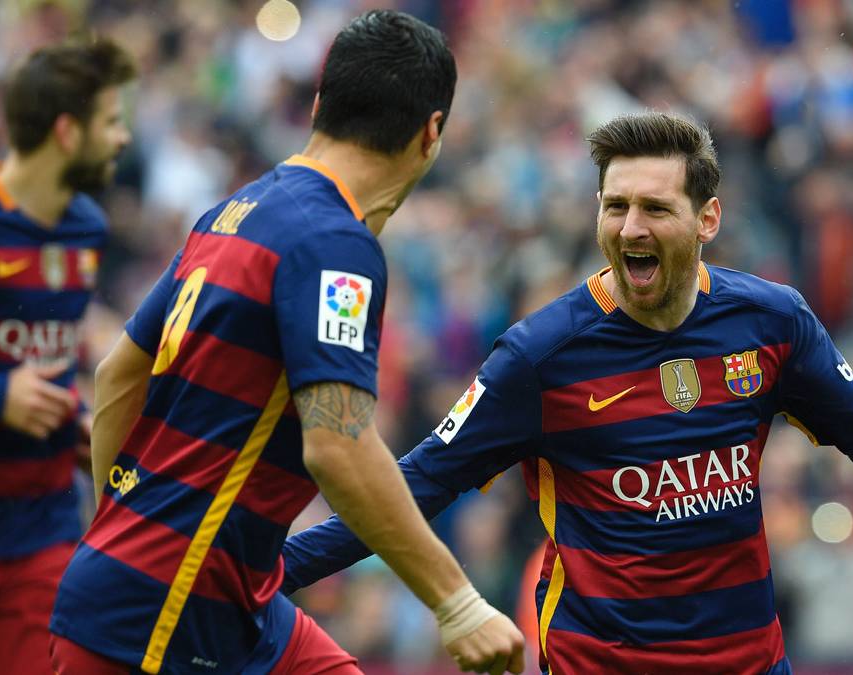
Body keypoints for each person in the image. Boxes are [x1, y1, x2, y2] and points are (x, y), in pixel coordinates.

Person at [280, 112, 853, 674]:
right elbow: (419, 481)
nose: (629, 225)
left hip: (749, 659)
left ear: (706, 218)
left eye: (654, 207)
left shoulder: (770, 322)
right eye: (615, 206)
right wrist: (274, 568)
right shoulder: (541, 354)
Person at [49, 11, 523, 675]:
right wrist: (457, 601)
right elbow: (339, 443)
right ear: (431, 132)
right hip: (160, 622)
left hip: (215, 601)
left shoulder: (233, 212)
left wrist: (124, 531)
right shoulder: (335, 243)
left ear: (320, 106)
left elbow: (117, 375)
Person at [0, 38, 135, 675]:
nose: (123, 137)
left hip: (38, 532)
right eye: (111, 120)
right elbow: (6, 378)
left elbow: (48, 357)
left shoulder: (87, 230)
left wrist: (75, 418)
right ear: (68, 132)